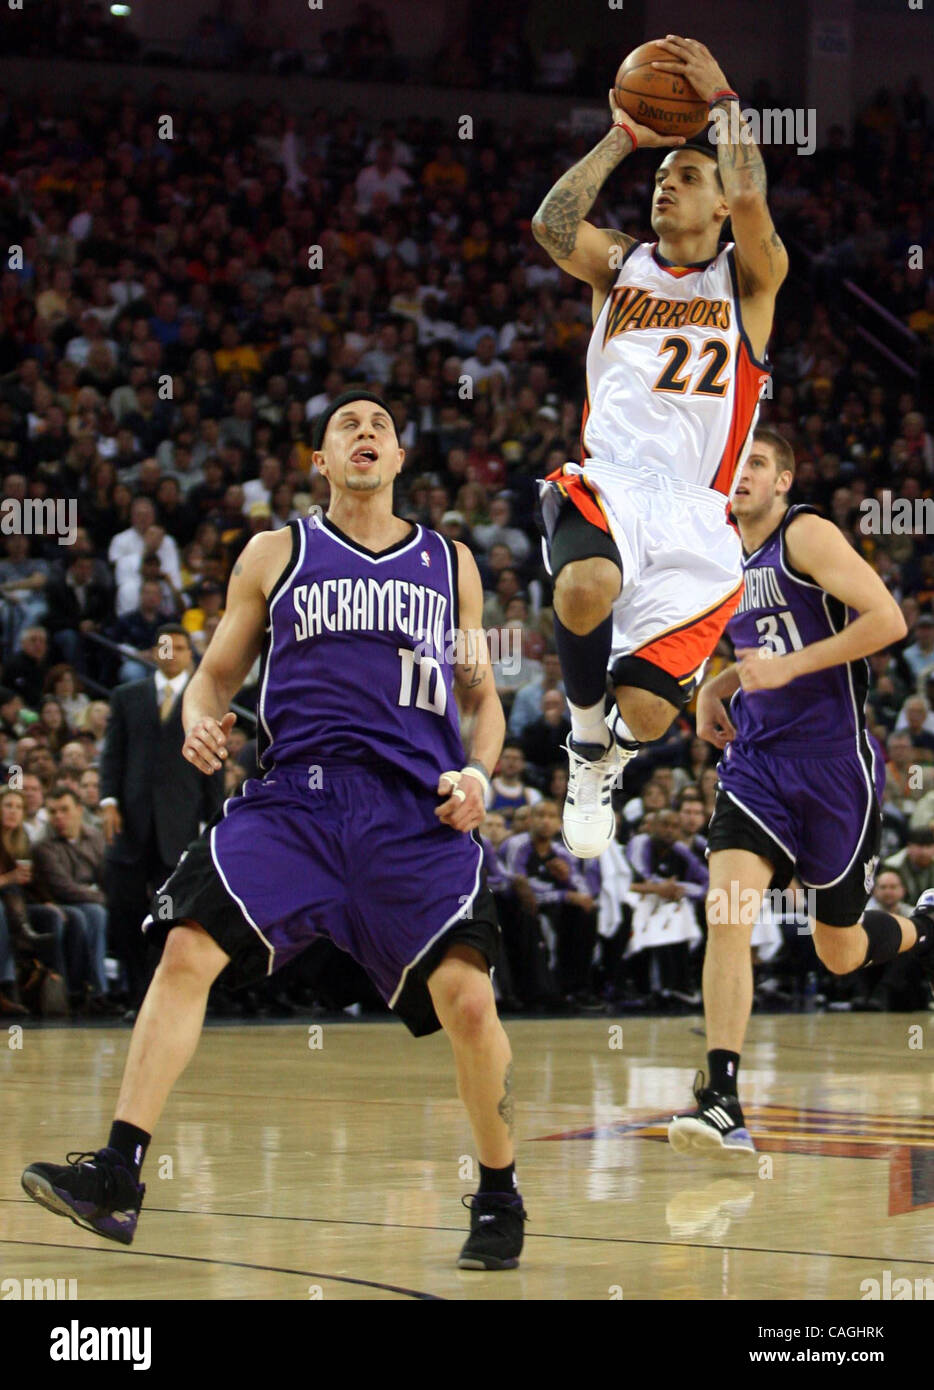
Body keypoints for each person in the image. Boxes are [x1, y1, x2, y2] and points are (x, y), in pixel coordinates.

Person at [23, 392, 526, 1272]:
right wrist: (198, 720)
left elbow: (481, 700)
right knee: (185, 949)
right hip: (294, 802)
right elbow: (212, 678)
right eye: (346, 426)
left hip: (412, 811)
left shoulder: (451, 564)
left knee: (469, 1002)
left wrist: (480, 774)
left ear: (401, 459)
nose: (366, 432)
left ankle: (498, 1192)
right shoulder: (276, 552)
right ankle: (117, 1174)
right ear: (320, 463)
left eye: (381, 426)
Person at [531, 36, 787, 858]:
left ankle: (610, 751)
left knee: (644, 716)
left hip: (698, 523)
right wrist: (622, 137)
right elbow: (550, 224)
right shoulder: (620, 267)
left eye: (687, 177)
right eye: (660, 179)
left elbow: (753, 200)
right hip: (613, 482)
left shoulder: (749, 284)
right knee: (584, 584)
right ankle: (581, 743)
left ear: (720, 207)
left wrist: (722, 104)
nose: (665, 185)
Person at [669, 428, 934, 1156]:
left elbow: (888, 619)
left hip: (835, 770)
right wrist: (718, 684)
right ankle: (722, 1096)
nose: (743, 474)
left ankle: (925, 927)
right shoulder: (724, 558)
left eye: (758, 463)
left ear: (784, 480)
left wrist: (791, 669)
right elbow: (757, 642)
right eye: (736, 463)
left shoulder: (805, 532)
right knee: (728, 914)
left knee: (840, 955)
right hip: (757, 765)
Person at [99, 624, 224, 1016]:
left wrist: (213, 820)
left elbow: (213, 767)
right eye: (165, 646)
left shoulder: (203, 700)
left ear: (191, 654)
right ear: (155, 652)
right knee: (128, 910)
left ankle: (164, 1002)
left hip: (180, 825)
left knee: (170, 913)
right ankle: (137, 996)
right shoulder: (127, 697)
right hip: (131, 825)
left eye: (181, 646)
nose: (172, 652)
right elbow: (113, 754)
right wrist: (108, 799)